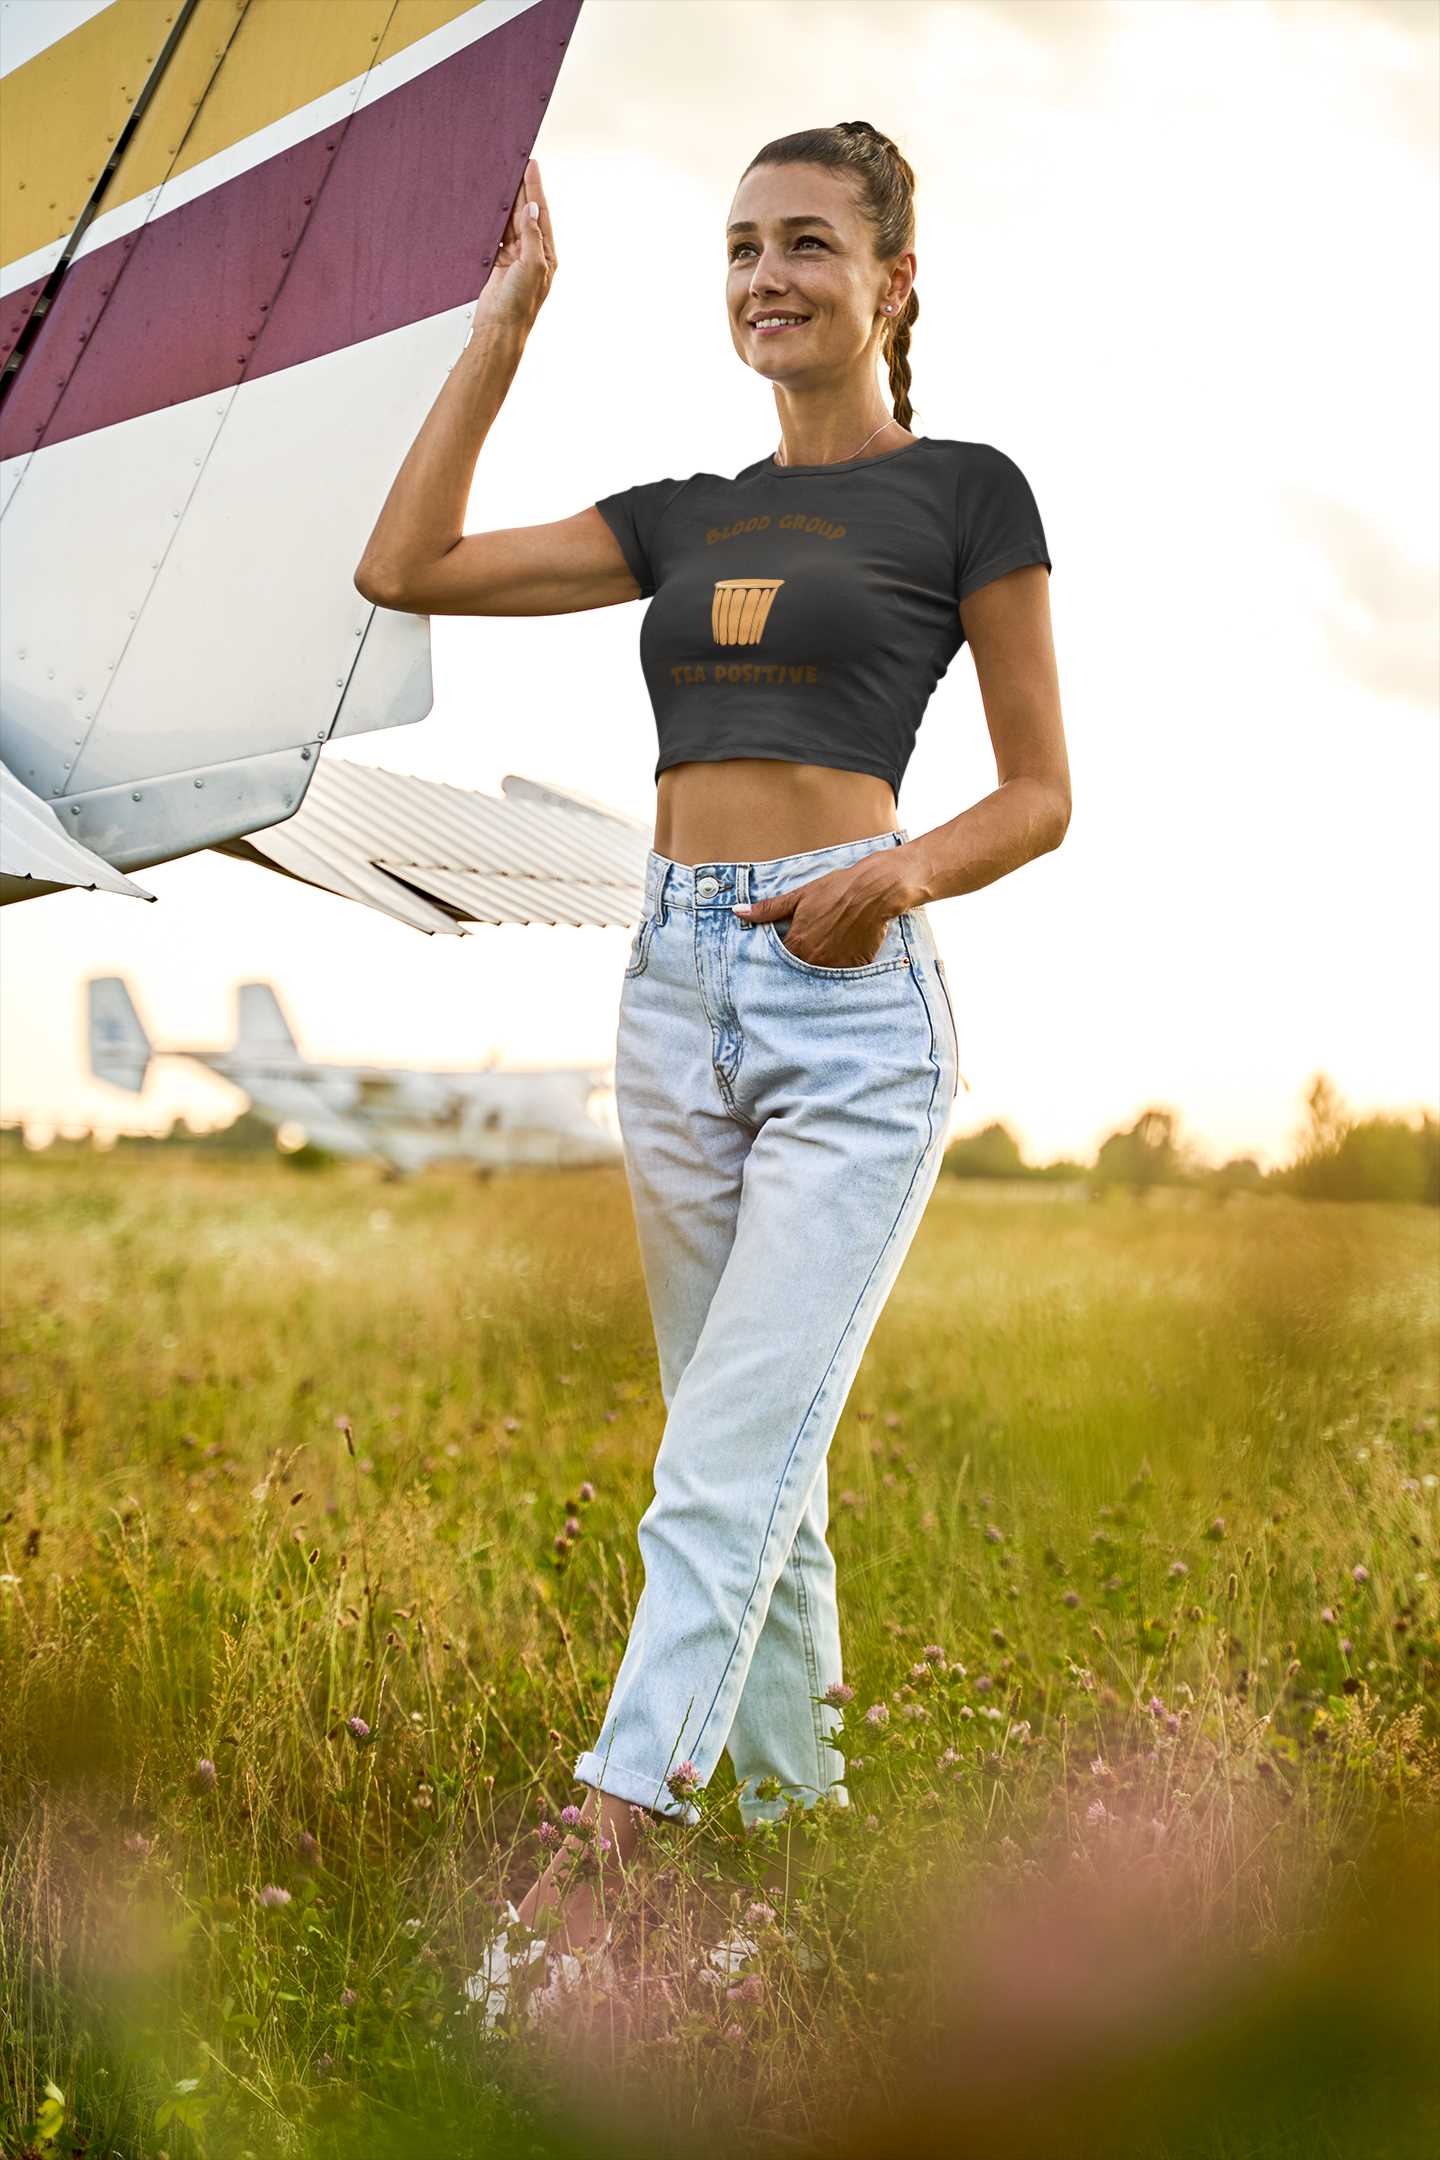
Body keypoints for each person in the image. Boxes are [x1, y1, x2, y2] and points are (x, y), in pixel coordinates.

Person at [355, 124, 1068, 2016]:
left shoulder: (967, 498)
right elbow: (401, 561)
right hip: (672, 990)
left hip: (850, 1010)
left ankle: (600, 1847)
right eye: (744, 245)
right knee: (761, 1472)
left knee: (725, 1459)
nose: (769, 275)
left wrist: (893, 873)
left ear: (893, 279)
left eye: (810, 244)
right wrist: (505, 322)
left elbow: (1039, 793)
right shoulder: (681, 512)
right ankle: (792, 1844)